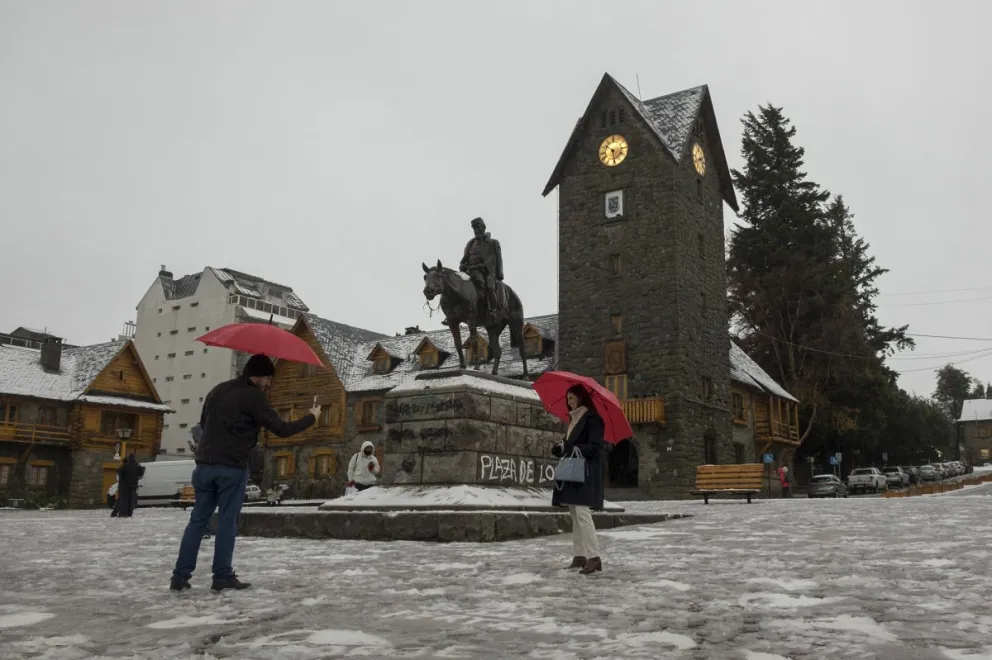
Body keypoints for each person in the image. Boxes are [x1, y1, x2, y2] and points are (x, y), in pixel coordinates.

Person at [170, 354, 319, 593]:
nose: (269, 384)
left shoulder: (217, 391)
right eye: (268, 379)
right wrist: (312, 417)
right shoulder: (254, 397)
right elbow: (281, 429)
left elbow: (203, 424)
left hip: (204, 466)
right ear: (258, 377)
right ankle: (222, 576)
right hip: (231, 468)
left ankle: (179, 576)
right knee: (227, 522)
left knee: (197, 522)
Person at [551, 385, 608, 575]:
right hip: (573, 473)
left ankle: (594, 557)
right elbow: (572, 444)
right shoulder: (573, 420)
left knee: (583, 514)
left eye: (572, 398)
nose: (569, 402)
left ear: (581, 398)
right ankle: (579, 555)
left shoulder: (593, 419)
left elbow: (596, 448)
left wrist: (571, 448)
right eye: (567, 399)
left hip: (585, 472)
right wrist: (561, 447)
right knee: (575, 515)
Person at [458, 217, 503, 320]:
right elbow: (463, 261)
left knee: (489, 287)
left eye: (477, 227)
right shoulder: (470, 244)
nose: (475, 230)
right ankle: (456, 311)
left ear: (483, 227)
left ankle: (492, 310)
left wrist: (499, 274)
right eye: (474, 228)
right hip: (471, 271)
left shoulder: (493, 243)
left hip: (488, 272)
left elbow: (498, 260)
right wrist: (462, 265)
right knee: (456, 284)